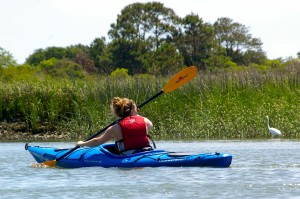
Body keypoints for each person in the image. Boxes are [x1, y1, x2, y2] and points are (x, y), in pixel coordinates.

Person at [76, 97, 154, 155]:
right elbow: (150, 125)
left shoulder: (114, 128)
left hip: (129, 156)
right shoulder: (145, 121)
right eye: (136, 108)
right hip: (148, 152)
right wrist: (136, 115)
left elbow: (97, 142)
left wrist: (82, 144)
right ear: (132, 111)